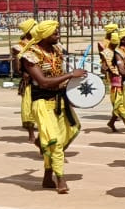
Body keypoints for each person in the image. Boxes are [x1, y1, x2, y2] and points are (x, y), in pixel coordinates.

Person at [20, 20, 86, 192]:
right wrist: (71, 74)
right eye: (55, 32)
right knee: (54, 142)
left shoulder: (57, 50)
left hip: (60, 101)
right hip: (42, 103)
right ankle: (61, 179)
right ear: (44, 35)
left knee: (68, 132)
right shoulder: (30, 56)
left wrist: (73, 86)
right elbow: (43, 82)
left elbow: (60, 74)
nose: (58, 34)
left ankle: (47, 175)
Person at [13, 19, 38, 144]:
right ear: (28, 30)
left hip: (44, 80)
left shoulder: (41, 42)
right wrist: (24, 73)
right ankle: (31, 134)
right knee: (28, 108)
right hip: (29, 82)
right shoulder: (19, 47)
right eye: (34, 27)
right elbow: (16, 68)